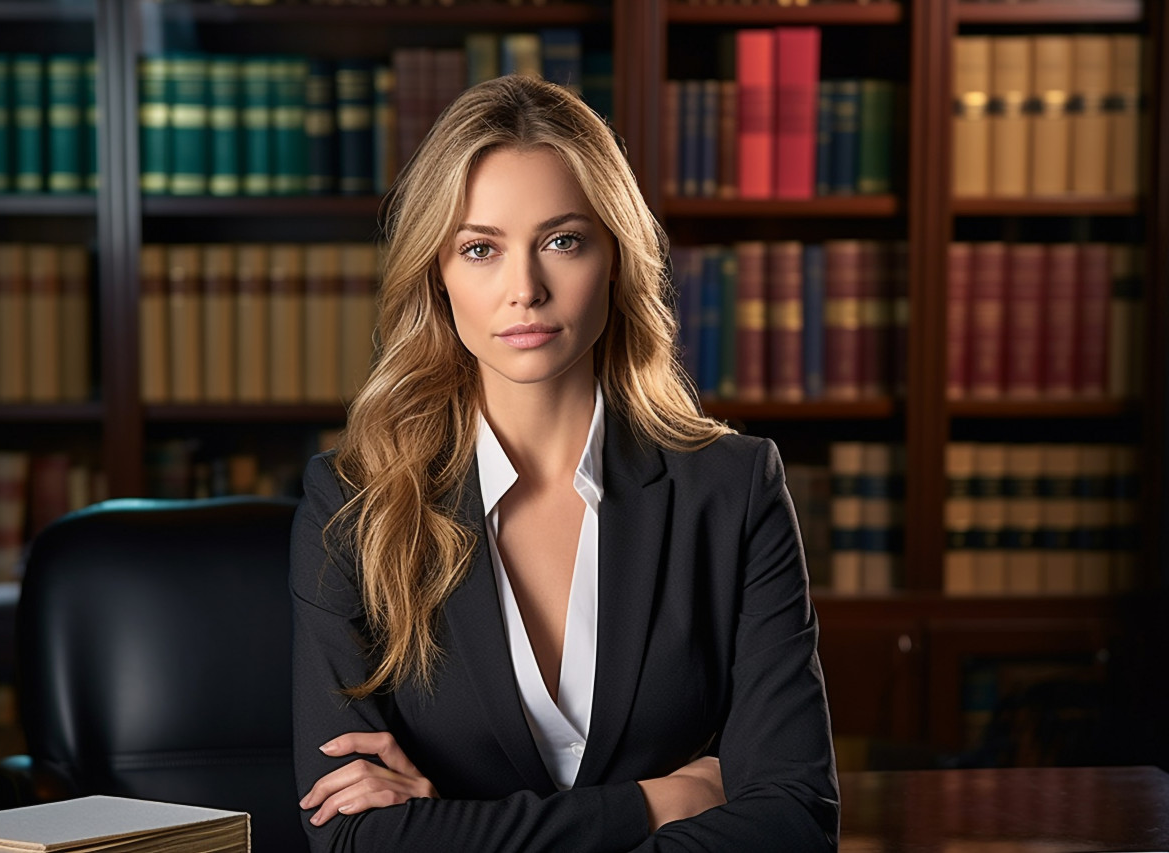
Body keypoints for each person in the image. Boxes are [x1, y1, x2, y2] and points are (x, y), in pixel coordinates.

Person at [290, 75, 839, 851]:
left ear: (614, 258)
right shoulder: (353, 503)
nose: (525, 289)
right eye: (480, 248)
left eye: (562, 240)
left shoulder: (733, 488)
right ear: (437, 275)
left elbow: (793, 819)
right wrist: (654, 802)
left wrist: (449, 823)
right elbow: (352, 840)